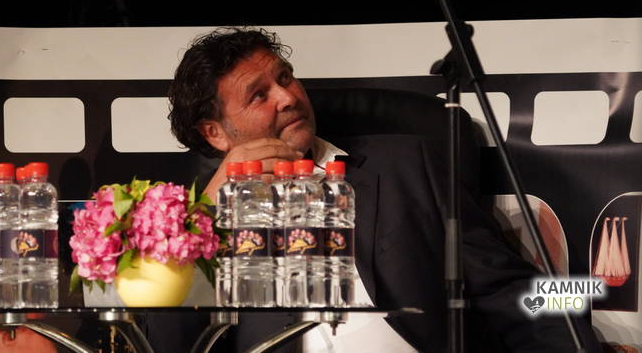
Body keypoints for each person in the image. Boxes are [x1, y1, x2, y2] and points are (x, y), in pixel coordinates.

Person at [166, 26, 602, 352]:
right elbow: (170, 342)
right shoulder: (198, 222)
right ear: (215, 133)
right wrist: (206, 215)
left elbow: (507, 288)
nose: (288, 97)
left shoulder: (407, 165)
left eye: (285, 77)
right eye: (258, 95)